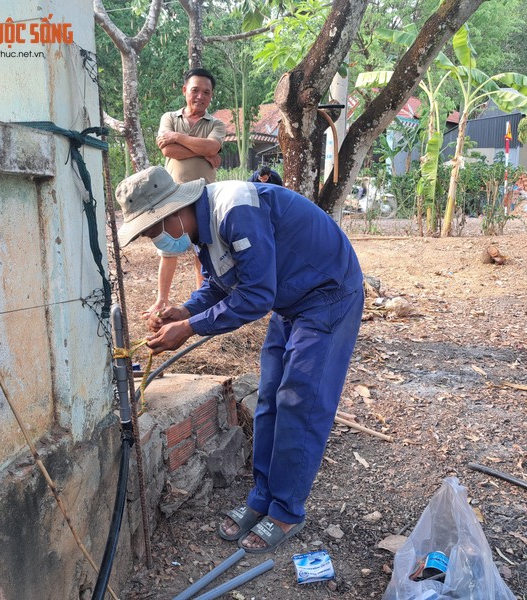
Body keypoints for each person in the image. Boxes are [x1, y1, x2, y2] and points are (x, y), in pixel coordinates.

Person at [115, 166, 364, 554]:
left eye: (154, 229)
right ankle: (263, 496)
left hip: (327, 294)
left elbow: (255, 296)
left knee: (301, 401)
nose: (155, 239)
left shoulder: (234, 211)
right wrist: (184, 311)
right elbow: (220, 285)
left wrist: (191, 329)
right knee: (269, 400)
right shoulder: (200, 227)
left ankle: (286, 509)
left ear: (175, 211)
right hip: (290, 300)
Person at [146, 68, 226, 317]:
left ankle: (200, 301)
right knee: (168, 250)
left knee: (202, 250)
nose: (200, 96)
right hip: (173, 195)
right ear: (185, 91)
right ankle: (161, 301)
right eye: (195, 90)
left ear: (211, 97)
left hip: (204, 195)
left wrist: (178, 137)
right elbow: (168, 152)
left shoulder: (216, 123)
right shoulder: (168, 117)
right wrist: (206, 152)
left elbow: (213, 145)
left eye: (206, 92)